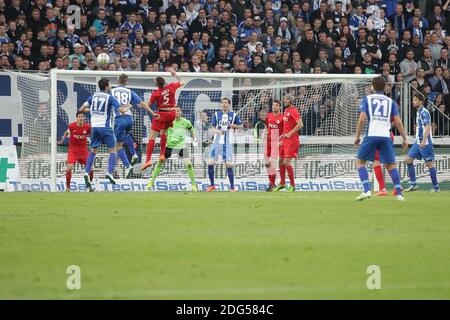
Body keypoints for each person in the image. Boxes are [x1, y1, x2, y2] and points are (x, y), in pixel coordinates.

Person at [354, 76, 408, 201]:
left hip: (372, 135)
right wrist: (405, 138)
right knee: (391, 164)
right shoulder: (391, 102)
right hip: (386, 135)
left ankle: (367, 190)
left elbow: (362, 120)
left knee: (360, 162)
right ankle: (399, 194)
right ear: (385, 87)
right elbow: (398, 123)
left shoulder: (367, 99)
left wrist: (357, 136)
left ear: (372, 87)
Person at [79, 78, 129, 190]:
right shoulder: (110, 97)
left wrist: (92, 110)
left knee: (93, 151)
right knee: (113, 150)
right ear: (106, 86)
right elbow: (121, 110)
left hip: (94, 128)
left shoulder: (93, 97)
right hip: (105, 128)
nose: (110, 87)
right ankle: (109, 173)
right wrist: (127, 108)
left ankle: (86, 173)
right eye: (110, 85)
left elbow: (81, 109)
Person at [111, 74, 157, 178]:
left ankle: (127, 166)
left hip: (119, 119)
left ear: (117, 80)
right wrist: (152, 113)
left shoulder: (112, 91)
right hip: (129, 119)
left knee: (117, 146)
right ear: (126, 82)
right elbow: (143, 104)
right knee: (126, 135)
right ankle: (134, 154)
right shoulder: (130, 92)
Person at [141, 67, 185, 170]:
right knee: (163, 133)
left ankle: (148, 160)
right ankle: (161, 154)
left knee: (152, 137)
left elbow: (148, 105)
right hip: (171, 113)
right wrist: (174, 74)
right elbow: (182, 82)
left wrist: (142, 105)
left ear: (157, 84)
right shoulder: (171, 86)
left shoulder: (155, 93)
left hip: (161, 114)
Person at [147, 107, 198, 191]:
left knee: (188, 164)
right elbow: (162, 131)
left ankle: (193, 184)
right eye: (174, 111)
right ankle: (151, 182)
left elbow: (191, 129)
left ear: (181, 112)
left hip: (181, 146)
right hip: (169, 146)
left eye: (178, 111)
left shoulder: (186, 122)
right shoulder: (169, 121)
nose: (176, 112)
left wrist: (194, 138)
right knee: (160, 163)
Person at [404, 94, 440, 193]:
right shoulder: (418, 112)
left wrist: (424, 141)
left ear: (420, 101)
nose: (413, 102)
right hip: (418, 143)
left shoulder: (424, 112)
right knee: (408, 160)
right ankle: (413, 185)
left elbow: (428, 127)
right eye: (413, 100)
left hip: (425, 143)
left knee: (429, 164)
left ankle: (436, 188)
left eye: (415, 100)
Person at [206, 97, 243, 192]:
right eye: (223, 103)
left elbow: (241, 126)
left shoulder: (233, 115)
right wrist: (218, 131)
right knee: (210, 163)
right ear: (221, 104)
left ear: (229, 105)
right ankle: (212, 185)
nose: (224, 104)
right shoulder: (216, 114)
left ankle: (232, 187)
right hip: (216, 143)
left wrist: (236, 126)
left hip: (227, 143)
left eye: (226, 103)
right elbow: (212, 128)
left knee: (229, 165)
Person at [273, 94, 303, 192]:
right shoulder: (286, 111)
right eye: (284, 99)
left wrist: (289, 134)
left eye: (287, 99)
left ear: (291, 100)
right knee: (280, 161)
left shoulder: (294, 111)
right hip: (285, 140)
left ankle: (293, 185)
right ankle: (282, 183)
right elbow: (288, 126)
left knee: (286, 162)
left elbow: (300, 124)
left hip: (292, 140)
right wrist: (282, 134)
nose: (285, 101)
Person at [58, 111, 93, 192]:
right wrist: (62, 140)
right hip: (73, 151)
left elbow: (92, 135)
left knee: (91, 169)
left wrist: (92, 143)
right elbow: (66, 132)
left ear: (84, 118)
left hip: (83, 151)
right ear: (77, 118)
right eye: (79, 116)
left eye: (82, 116)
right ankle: (68, 187)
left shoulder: (87, 127)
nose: (81, 118)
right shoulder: (72, 126)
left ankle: (90, 184)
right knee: (69, 168)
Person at [264, 100, 284, 192]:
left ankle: (272, 184)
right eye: (273, 105)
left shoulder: (282, 118)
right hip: (268, 142)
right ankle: (271, 183)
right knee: (267, 164)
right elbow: (266, 127)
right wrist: (264, 134)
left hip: (276, 143)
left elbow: (285, 131)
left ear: (279, 107)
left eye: (276, 105)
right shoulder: (269, 116)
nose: (274, 107)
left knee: (273, 163)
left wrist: (281, 140)